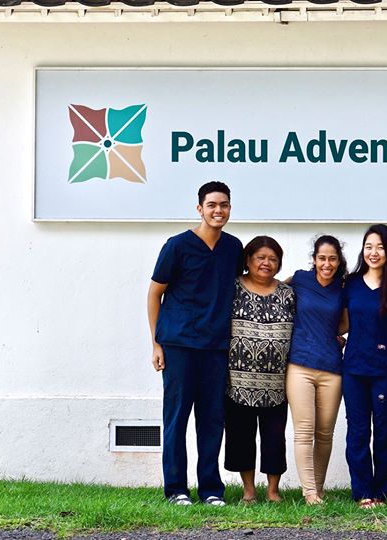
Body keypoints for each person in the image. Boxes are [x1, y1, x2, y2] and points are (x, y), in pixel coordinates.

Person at [147, 180, 242, 507]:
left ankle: (211, 489)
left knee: (212, 419)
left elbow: (248, 283)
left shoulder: (233, 248)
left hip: (216, 347)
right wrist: (156, 342)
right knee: (176, 418)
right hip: (179, 345)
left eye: (224, 205)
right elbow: (154, 294)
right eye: (212, 205)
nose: (219, 210)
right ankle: (176, 489)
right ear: (199, 208)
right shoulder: (177, 246)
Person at [224, 236, 296, 504]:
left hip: (277, 382)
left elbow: (306, 323)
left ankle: (273, 490)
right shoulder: (233, 288)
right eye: (260, 257)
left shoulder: (288, 293)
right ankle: (249, 490)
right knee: (241, 437)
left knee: (274, 438)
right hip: (237, 381)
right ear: (248, 260)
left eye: (273, 259)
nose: (266, 263)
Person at [341, 224, 387, 509]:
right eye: (369, 246)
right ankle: (362, 491)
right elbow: (338, 319)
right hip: (354, 368)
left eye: (380, 246)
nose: (373, 252)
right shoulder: (350, 283)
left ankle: (381, 491)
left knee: (384, 431)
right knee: (356, 432)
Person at [285, 235, 347, 505]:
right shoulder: (300, 279)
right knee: (304, 430)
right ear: (314, 259)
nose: (327, 263)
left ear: (338, 261)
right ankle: (309, 491)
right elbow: (273, 291)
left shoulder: (343, 288)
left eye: (332, 258)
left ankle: (317, 489)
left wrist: (335, 335)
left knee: (324, 432)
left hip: (332, 367)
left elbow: (344, 323)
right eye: (322, 258)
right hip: (299, 365)